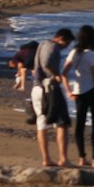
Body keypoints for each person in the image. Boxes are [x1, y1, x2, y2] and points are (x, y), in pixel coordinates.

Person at [62, 25, 94, 168]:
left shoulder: (74, 53)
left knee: (79, 126)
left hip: (78, 92)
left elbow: (63, 74)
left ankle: (82, 157)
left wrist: (68, 91)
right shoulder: (91, 55)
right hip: (92, 92)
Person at [31, 27, 74, 167]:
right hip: (49, 89)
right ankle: (63, 159)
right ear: (61, 38)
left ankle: (46, 159)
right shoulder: (53, 46)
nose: (65, 47)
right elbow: (47, 63)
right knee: (62, 122)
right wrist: (57, 75)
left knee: (42, 124)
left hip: (37, 88)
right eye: (66, 43)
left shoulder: (42, 44)